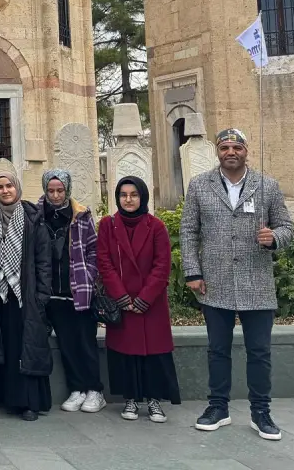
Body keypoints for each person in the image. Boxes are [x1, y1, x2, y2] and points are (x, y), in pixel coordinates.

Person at [181, 129, 294, 441]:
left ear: (246, 151)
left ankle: (261, 412)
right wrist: (192, 272)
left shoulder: (267, 185)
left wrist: (274, 237)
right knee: (217, 350)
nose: (230, 152)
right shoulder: (199, 185)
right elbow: (189, 231)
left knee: (259, 352)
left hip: (256, 282)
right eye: (225, 147)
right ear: (218, 152)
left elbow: (287, 227)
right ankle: (218, 408)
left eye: (237, 147)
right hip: (214, 282)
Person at [98, 176, 180, 423]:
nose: (128, 200)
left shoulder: (156, 226)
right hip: (122, 301)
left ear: (142, 197)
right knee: (126, 354)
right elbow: (104, 262)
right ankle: (130, 398)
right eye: (123, 195)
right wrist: (121, 296)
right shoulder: (108, 225)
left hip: (150, 303)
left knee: (154, 353)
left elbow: (162, 265)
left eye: (133, 195)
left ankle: (154, 400)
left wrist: (145, 298)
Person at [0, 169, 52, 421]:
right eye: (0, 187)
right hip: (0, 293)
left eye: (9, 186)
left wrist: (41, 295)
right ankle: (9, 399)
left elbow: (44, 260)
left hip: (26, 293)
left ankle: (29, 402)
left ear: (17, 188)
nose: (5, 191)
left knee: (27, 345)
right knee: (8, 345)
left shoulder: (33, 217)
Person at [40, 169, 105, 414]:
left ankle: (95, 390)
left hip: (78, 290)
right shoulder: (37, 214)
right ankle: (77, 388)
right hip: (53, 293)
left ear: (67, 189)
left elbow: (93, 249)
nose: (56, 195)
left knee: (85, 342)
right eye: (51, 190)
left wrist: (88, 274)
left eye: (60, 190)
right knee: (66, 344)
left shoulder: (81, 215)